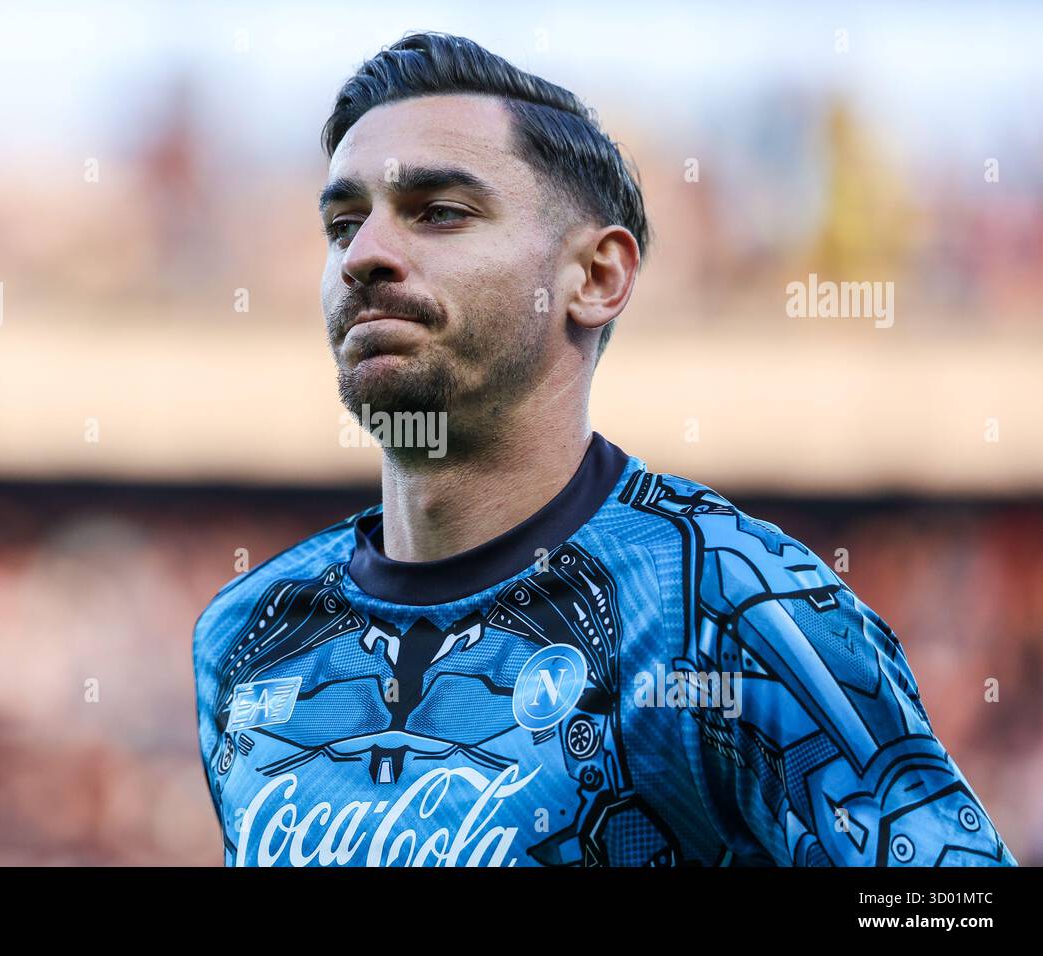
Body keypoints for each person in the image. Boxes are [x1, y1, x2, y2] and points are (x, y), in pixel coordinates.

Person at [192, 31, 1016, 867]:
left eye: (439, 212)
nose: (364, 254)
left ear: (594, 277)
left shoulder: (735, 608)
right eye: (342, 223)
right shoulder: (243, 636)